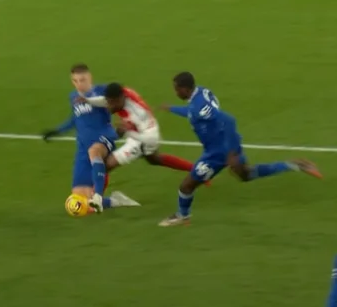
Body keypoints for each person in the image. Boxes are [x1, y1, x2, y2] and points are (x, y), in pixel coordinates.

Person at [158, 72, 321, 227]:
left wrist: (231, 154)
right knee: (246, 174)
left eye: (177, 89)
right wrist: (172, 109)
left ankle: (182, 216)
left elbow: (228, 120)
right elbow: (193, 112)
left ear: (185, 89)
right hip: (230, 143)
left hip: (218, 153)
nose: (175, 92)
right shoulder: (201, 92)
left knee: (186, 186)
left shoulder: (198, 107)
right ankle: (295, 165)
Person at [42, 64, 140, 212]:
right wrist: (56, 131)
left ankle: (98, 197)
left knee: (94, 151)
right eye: (75, 81)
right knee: (80, 203)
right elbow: (74, 119)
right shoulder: (73, 97)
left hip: (103, 138)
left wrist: (128, 122)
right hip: (82, 146)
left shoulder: (101, 91)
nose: (79, 84)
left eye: (82, 80)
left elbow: (123, 97)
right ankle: (116, 201)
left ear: (90, 78)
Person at [79, 82, 204, 178]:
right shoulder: (122, 95)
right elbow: (105, 100)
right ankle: (197, 171)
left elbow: (151, 139)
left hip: (145, 137)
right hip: (137, 131)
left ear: (120, 99)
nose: (109, 106)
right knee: (155, 159)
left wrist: (127, 132)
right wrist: (88, 101)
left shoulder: (138, 113)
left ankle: (95, 199)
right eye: (109, 102)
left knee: (107, 165)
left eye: (112, 103)